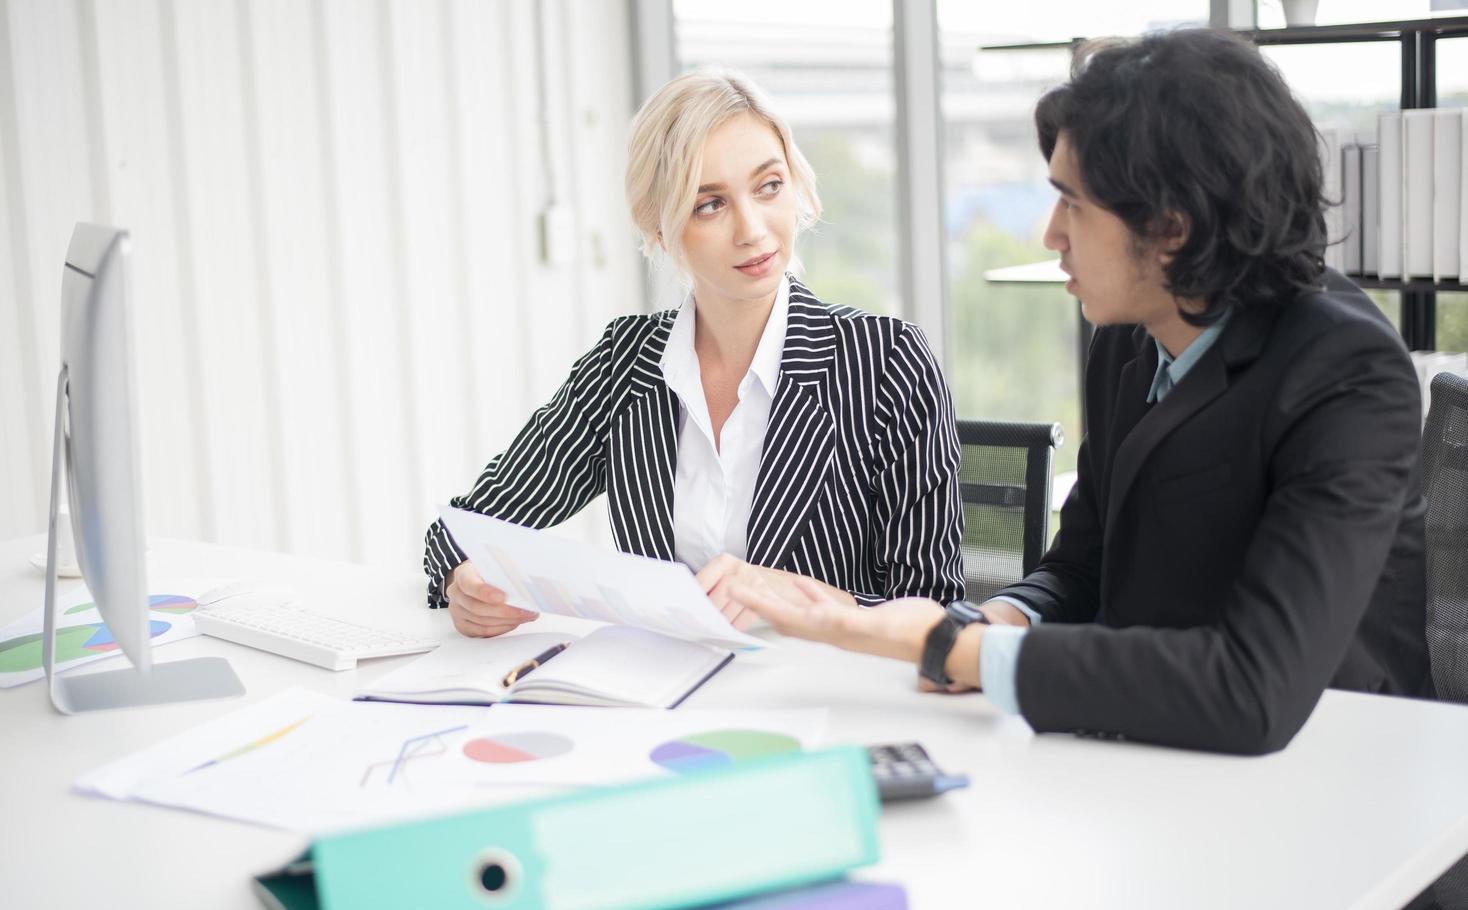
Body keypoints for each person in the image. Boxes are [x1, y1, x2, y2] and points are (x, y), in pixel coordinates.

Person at [733, 29, 1435, 756]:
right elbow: (1082, 564)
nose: (1049, 234)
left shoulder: (1348, 375)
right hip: (1149, 742)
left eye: (1073, 205)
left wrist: (959, 653)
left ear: (1171, 229)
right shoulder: (1131, 335)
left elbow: (1253, 687)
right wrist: (993, 623)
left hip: (1336, 766)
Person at [425, 68, 964, 638]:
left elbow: (937, 614)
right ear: (660, 229)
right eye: (710, 204)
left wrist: (805, 600)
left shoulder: (886, 362)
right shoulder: (625, 364)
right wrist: (465, 579)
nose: (753, 229)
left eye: (769, 186)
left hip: (822, 701)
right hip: (663, 698)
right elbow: (464, 528)